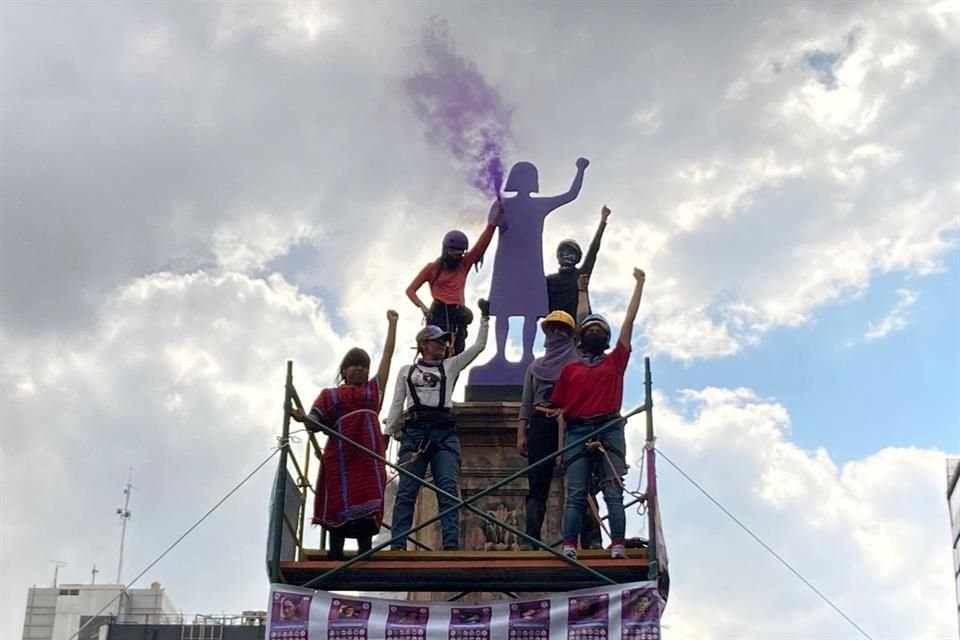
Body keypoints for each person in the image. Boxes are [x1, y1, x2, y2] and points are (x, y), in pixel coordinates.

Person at [550, 268, 646, 560]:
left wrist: (639, 285)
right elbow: (563, 415)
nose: (593, 332)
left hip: (608, 427)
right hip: (578, 429)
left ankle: (617, 543)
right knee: (576, 493)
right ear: (581, 337)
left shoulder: (616, 361)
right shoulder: (571, 369)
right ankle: (569, 544)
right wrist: (559, 451)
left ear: (606, 338)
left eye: (599, 330)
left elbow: (628, 322)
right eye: (590, 330)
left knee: (612, 490)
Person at [290, 310, 399, 560]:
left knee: (368, 498)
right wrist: (303, 417)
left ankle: (364, 551)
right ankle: (335, 552)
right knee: (338, 500)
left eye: (364, 365)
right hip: (340, 457)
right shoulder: (329, 396)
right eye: (354, 365)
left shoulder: (373, 391)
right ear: (344, 369)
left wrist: (392, 325)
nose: (360, 369)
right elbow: (315, 424)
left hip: (367, 457)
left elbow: (388, 355)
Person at [385, 299, 491, 551]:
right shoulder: (406, 372)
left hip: (443, 432)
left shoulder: (450, 366)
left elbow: (478, 346)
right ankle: (398, 545)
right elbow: (397, 404)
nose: (444, 345)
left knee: (447, 489)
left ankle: (451, 545)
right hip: (415, 432)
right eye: (438, 341)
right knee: (407, 491)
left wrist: (485, 318)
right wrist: (386, 433)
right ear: (423, 345)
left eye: (445, 341)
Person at [516, 307, 600, 550]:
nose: (555, 334)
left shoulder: (578, 364)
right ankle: (530, 539)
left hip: (573, 423)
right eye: (551, 329)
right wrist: (521, 432)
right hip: (541, 424)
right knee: (537, 484)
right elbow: (526, 402)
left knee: (581, 482)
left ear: (570, 335)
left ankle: (591, 538)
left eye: (560, 330)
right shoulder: (535, 366)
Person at [405, 205, 502, 355]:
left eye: (460, 253)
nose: (456, 257)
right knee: (435, 353)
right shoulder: (433, 268)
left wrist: (493, 223)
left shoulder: (464, 264)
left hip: (457, 314)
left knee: (456, 355)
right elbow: (410, 290)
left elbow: (480, 247)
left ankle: (450, 378)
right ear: (445, 250)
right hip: (438, 313)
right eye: (453, 253)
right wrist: (423, 307)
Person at [546, 205, 611, 318]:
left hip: (578, 325)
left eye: (571, 253)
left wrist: (603, 221)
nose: (567, 256)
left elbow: (593, 251)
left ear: (577, 257)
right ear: (558, 255)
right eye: (564, 252)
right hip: (556, 326)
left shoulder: (581, 275)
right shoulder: (550, 280)